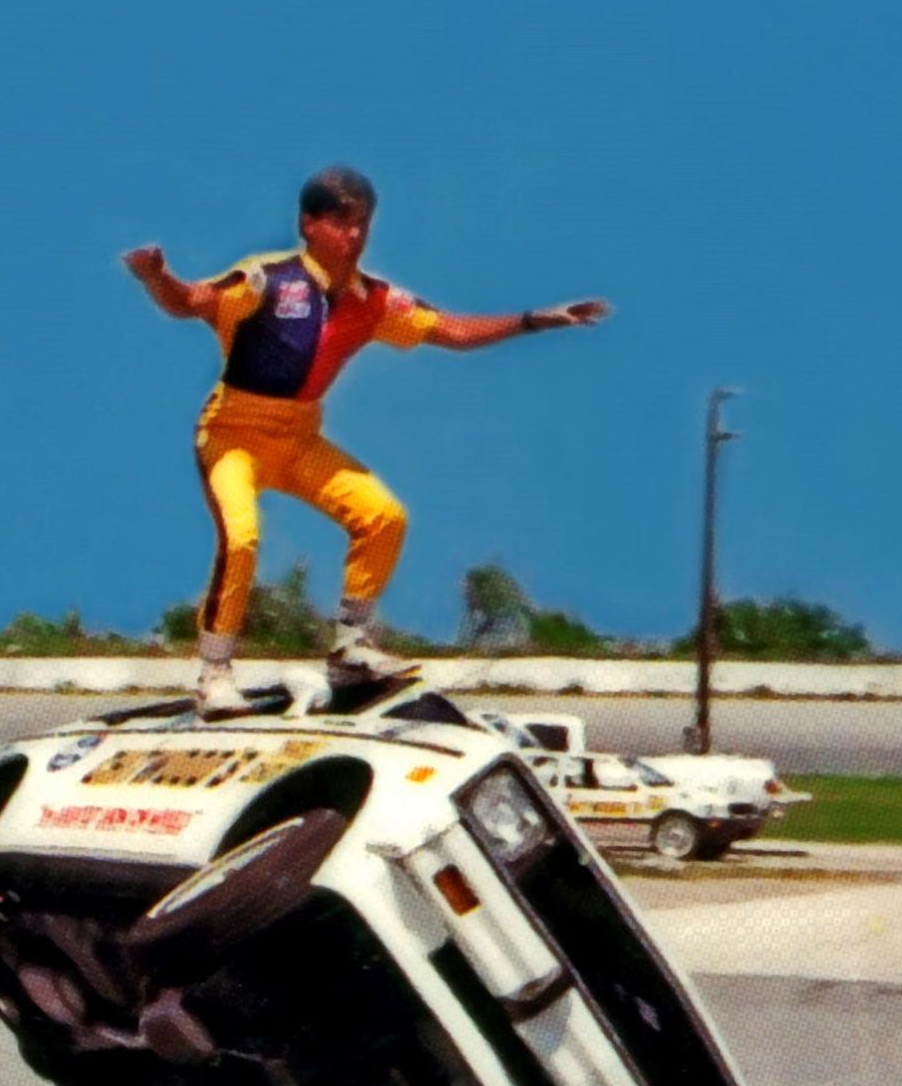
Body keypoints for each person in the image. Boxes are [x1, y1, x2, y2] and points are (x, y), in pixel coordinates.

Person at [124, 166, 610, 717]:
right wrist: (154, 277)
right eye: (340, 222)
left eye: (362, 223)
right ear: (309, 224)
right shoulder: (266, 279)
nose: (354, 235)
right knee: (242, 538)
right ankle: (214, 674)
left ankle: (351, 648)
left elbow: (450, 331)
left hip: (300, 437)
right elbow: (190, 301)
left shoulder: (375, 301)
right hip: (232, 434)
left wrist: (534, 320)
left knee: (383, 516)